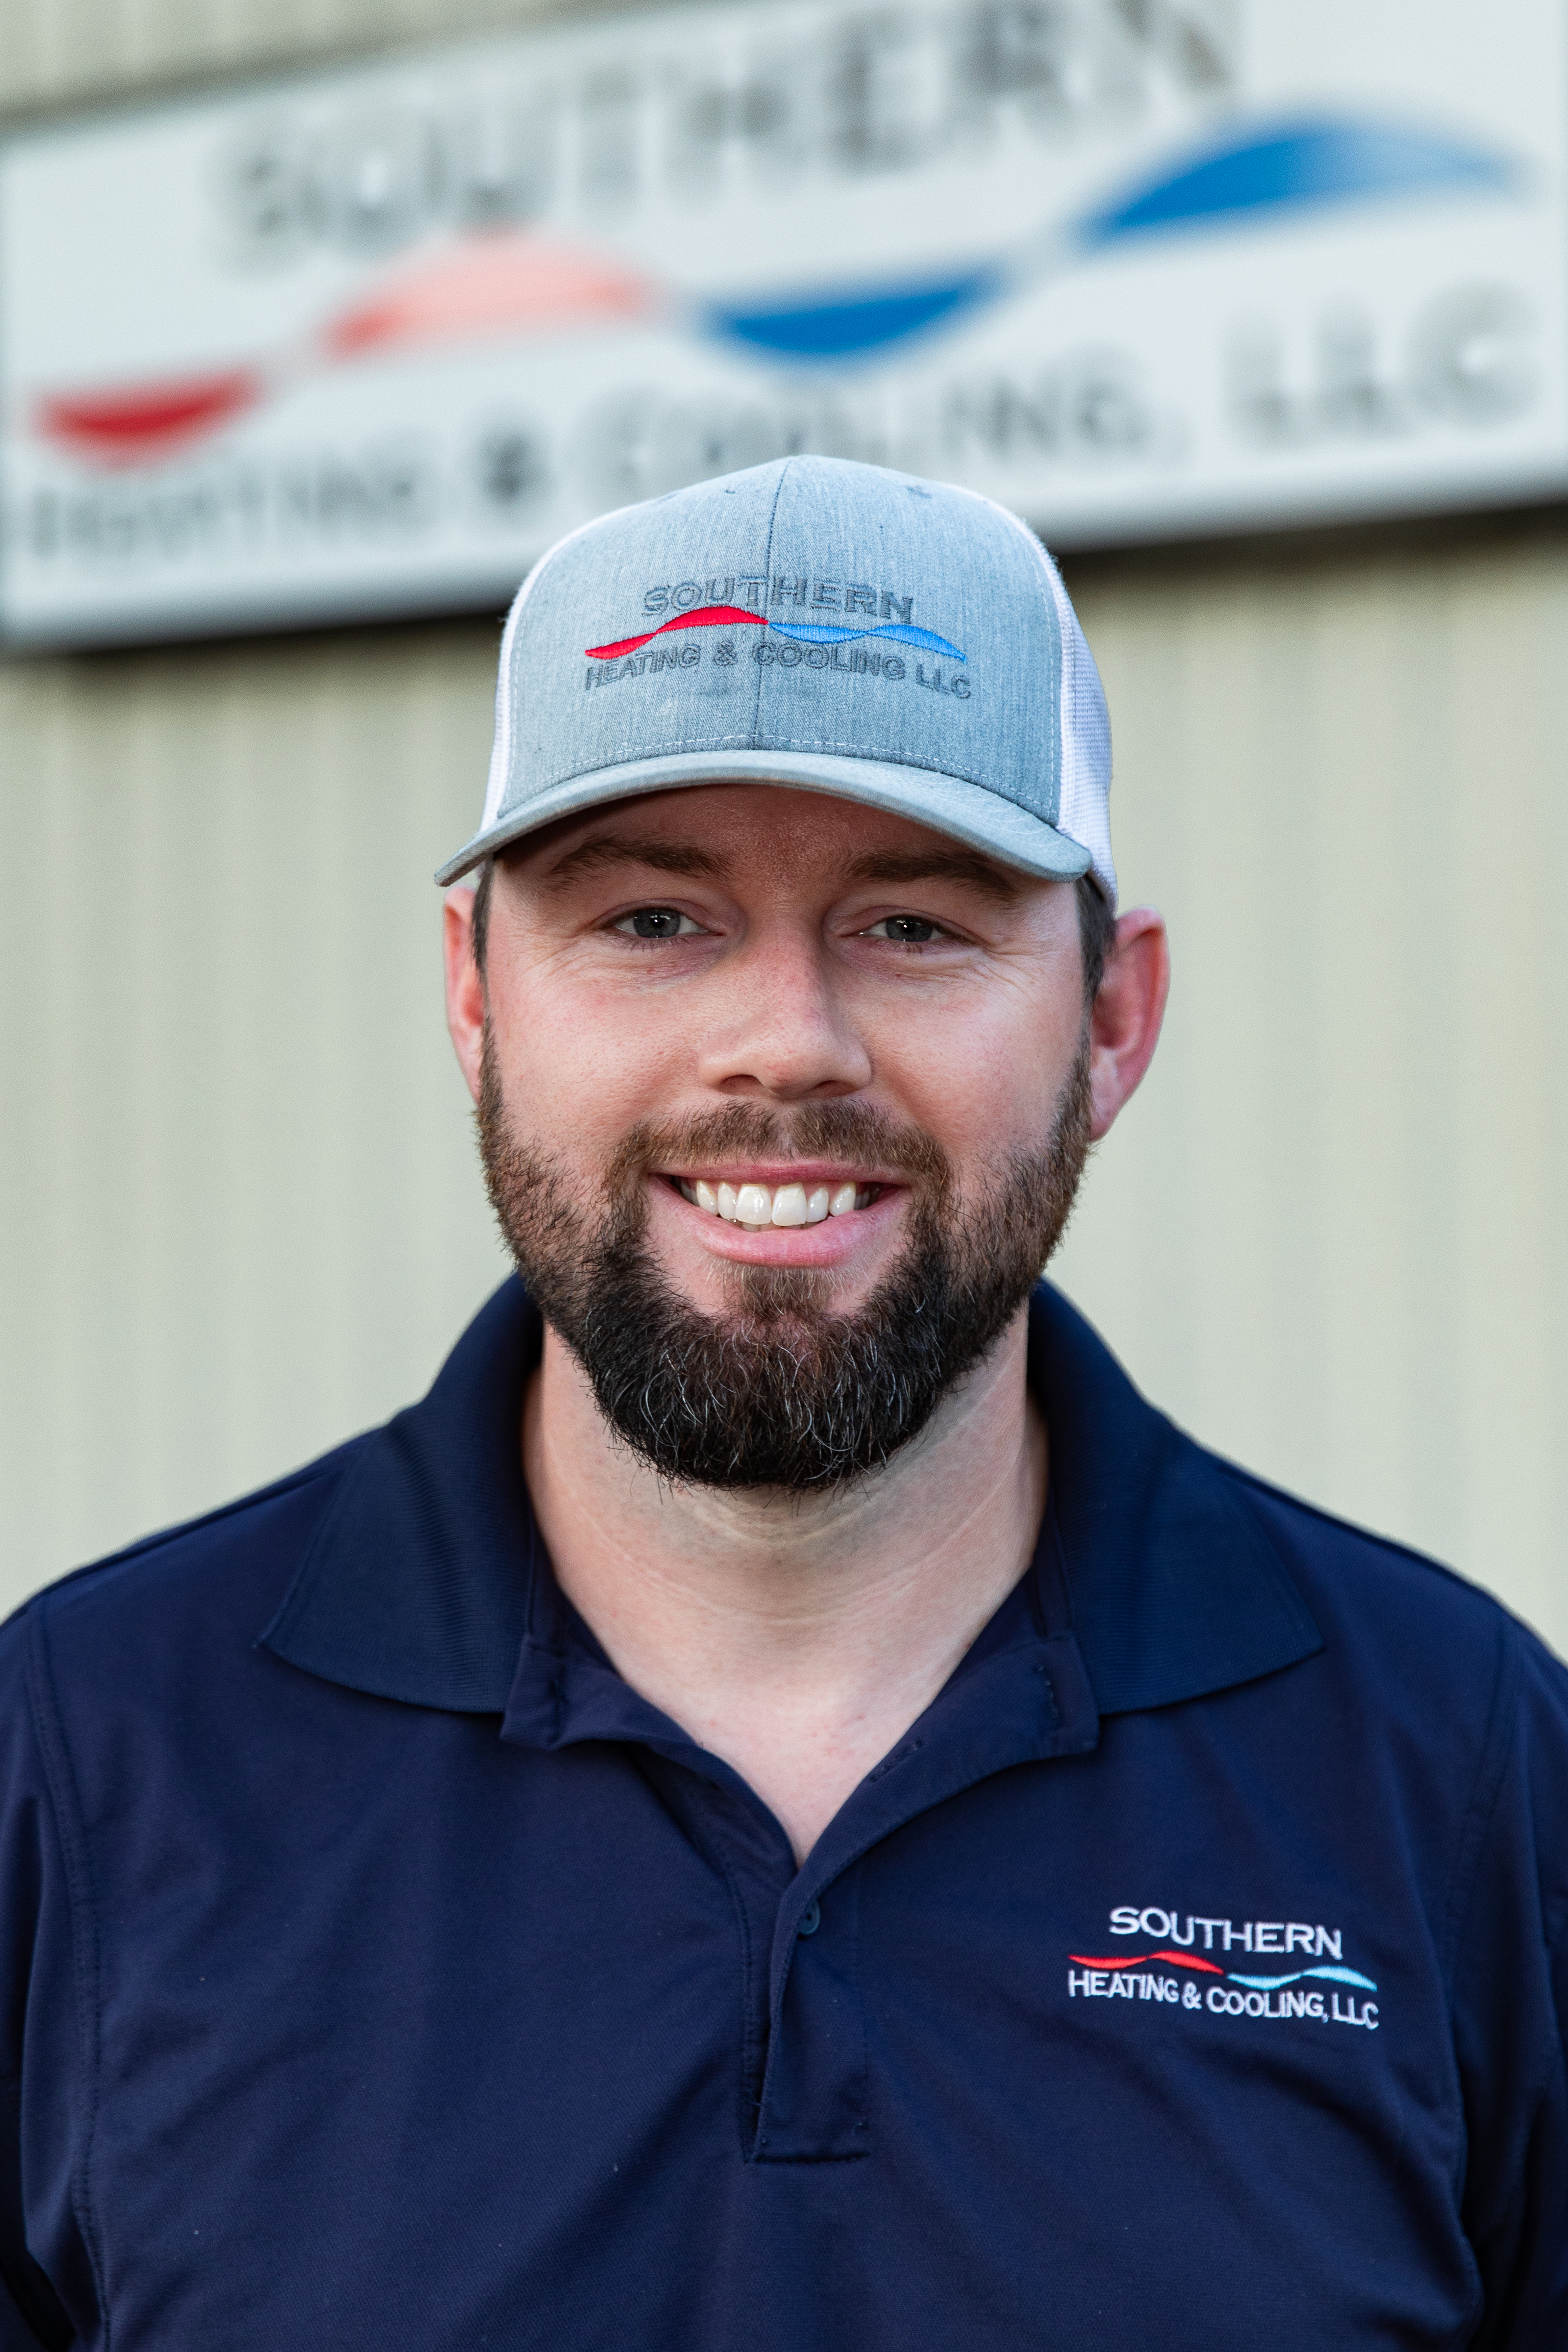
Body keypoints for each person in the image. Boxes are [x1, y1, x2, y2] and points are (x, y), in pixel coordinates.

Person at [0, 456, 1563, 2352]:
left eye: (913, 922)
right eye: (652, 919)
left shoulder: (1459, 1761)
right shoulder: (81, 1756)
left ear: (1109, 1020)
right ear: (475, 993)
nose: (781, 1044)